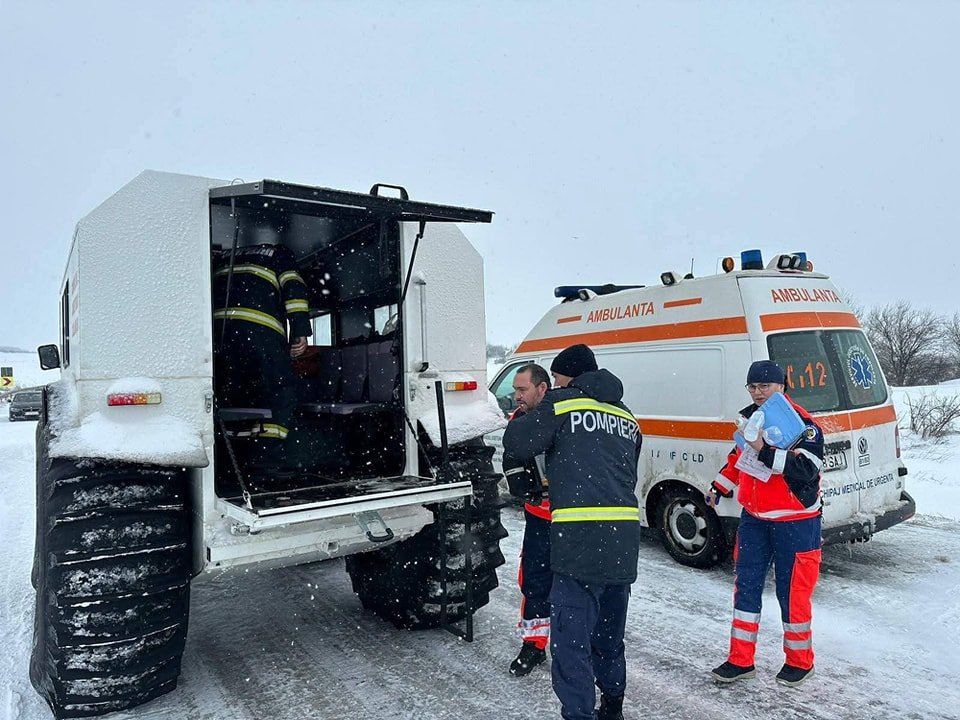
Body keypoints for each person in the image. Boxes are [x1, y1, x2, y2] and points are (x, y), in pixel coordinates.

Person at [503, 344, 642, 720]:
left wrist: (525, 413)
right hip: (623, 540)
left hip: (579, 541)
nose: (555, 383)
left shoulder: (562, 403)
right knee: (609, 635)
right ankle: (612, 706)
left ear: (568, 376)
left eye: (556, 377)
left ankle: (579, 714)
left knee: (571, 643)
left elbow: (516, 442)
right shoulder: (626, 415)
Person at [708, 359, 824, 687]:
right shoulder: (750, 419)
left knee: (793, 593)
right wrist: (720, 485)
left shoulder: (804, 424)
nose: (758, 392)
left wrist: (764, 450)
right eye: (753, 387)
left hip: (796, 522)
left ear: (781, 387)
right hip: (754, 520)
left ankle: (800, 662)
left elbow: (807, 469)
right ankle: (740, 660)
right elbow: (738, 457)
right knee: (745, 588)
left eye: (765, 386)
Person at [213, 235, 311, 485]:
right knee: (281, 392)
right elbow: (294, 289)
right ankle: (266, 464)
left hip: (220, 337)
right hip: (260, 334)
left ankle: (229, 463)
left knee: (234, 398)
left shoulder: (223, 258)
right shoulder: (279, 254)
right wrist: (299, 330)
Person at [502, 363, 553, 677]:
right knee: (534, 583)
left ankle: (575, 646)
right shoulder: (519, 420)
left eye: (522, 390)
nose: (517, 396)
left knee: (575, 587)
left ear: (542, 388)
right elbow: (512, 456)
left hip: (571, 520)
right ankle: (533, 645)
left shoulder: (562, 417)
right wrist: (518, 482)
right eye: (515, 390)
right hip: (538, 519)